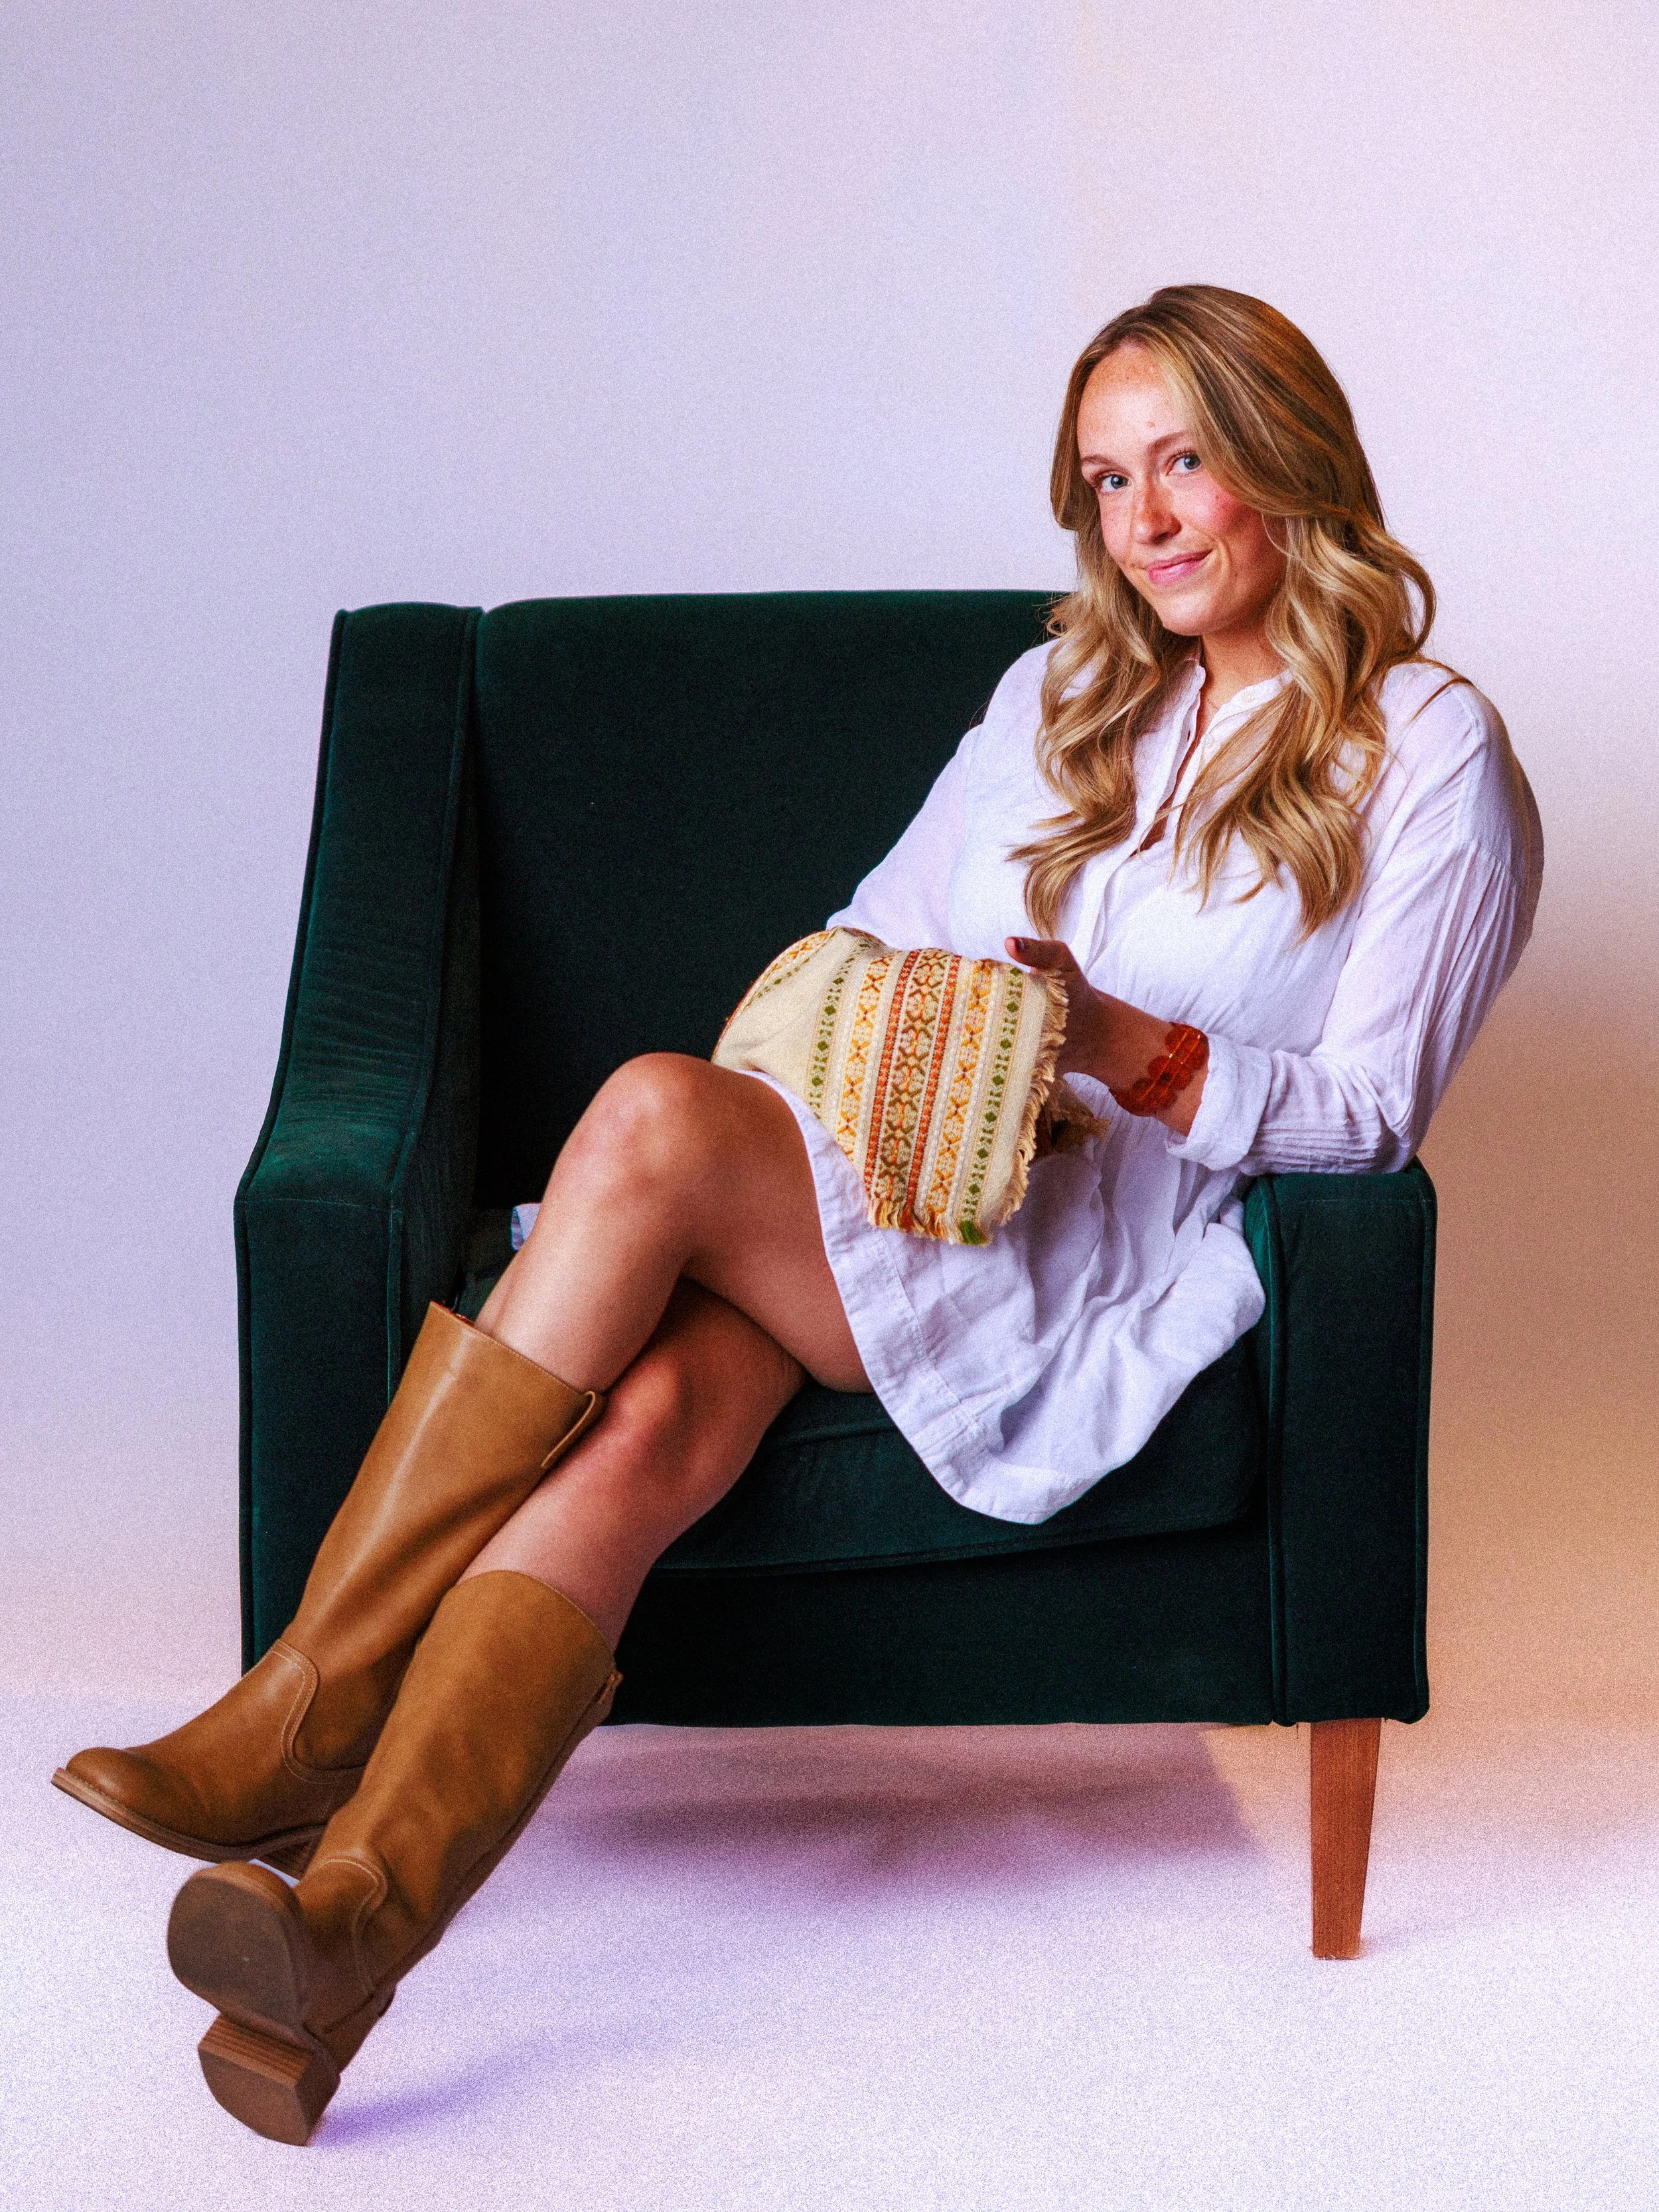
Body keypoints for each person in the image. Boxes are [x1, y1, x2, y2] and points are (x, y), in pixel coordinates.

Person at [56, 285, 1541, 2142]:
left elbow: (1373, 1119)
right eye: (1105, 480)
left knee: (652, 1116)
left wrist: (1129, 1049)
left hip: (1085, 1262)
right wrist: (928, 1038)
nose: (1144, 519)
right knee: (653, 1418)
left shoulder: (1429, 753)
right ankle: (342, 1939)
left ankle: (305, 1705)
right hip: (905, 1178)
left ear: (1282, 459)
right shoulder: (1062, 696)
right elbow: (873, 933)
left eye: (1183, 462)